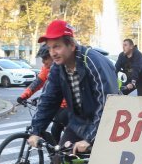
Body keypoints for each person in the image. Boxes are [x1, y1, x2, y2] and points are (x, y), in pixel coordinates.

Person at [27, 20, 118, 154]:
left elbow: (107, 103)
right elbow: (49, 99)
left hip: (105, 124)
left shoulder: (91, 61)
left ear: (71, 45)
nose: (52, 53)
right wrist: (36, 131)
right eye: (49, 48)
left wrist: (90, 139)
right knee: (62, 159)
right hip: (79, 123)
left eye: (57, 46)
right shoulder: (58, 67)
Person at [17, 44, 68, 145]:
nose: (43, 61)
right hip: (58, 107)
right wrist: (23, 96)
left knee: (64, 132)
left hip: (68, 107)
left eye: (45, 58)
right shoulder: (46, 69)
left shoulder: (64, 67)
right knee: (55, 130)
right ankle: (57, 156)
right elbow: (37, 83)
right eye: (42, 58)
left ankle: (66, 153)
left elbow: (58, 93)